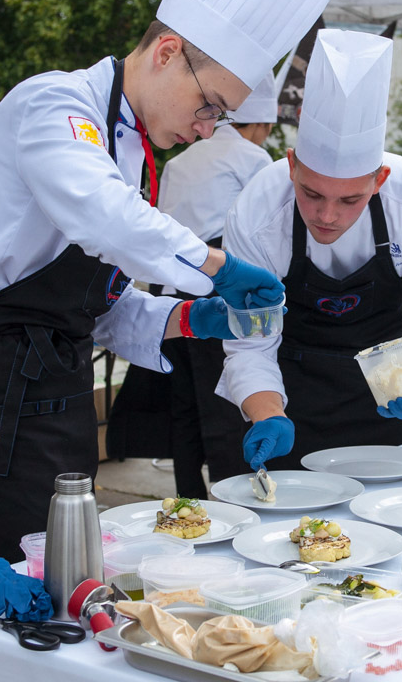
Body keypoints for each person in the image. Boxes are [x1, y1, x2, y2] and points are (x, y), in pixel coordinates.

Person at [0, 0, 350, 590]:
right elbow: (101, 214)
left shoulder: (133, 154)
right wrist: (216, 267)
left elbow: (99, 307)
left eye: (223, 117)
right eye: (210, 107)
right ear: (168, 52)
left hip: (59, 393)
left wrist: (186, 317)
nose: (209, 129)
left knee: (63, 577)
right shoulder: (54, 104)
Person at [217, 29, 402, 472]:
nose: (327, 215)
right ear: (292, 165)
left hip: (385, 399)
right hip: (287, 397)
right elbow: (250, 345)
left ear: (379, 180)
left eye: (350, 200)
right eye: (311, 193)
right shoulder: (256, 212)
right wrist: (267, 414)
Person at [107, 72, 279, 497]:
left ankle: (189, 492)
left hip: (170, 288)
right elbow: (265, 232)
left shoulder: (180, 161)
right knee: (226, 397)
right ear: (261, 125)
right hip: (224, 283)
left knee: (183, 399)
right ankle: (233, 491)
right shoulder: (256, 160)